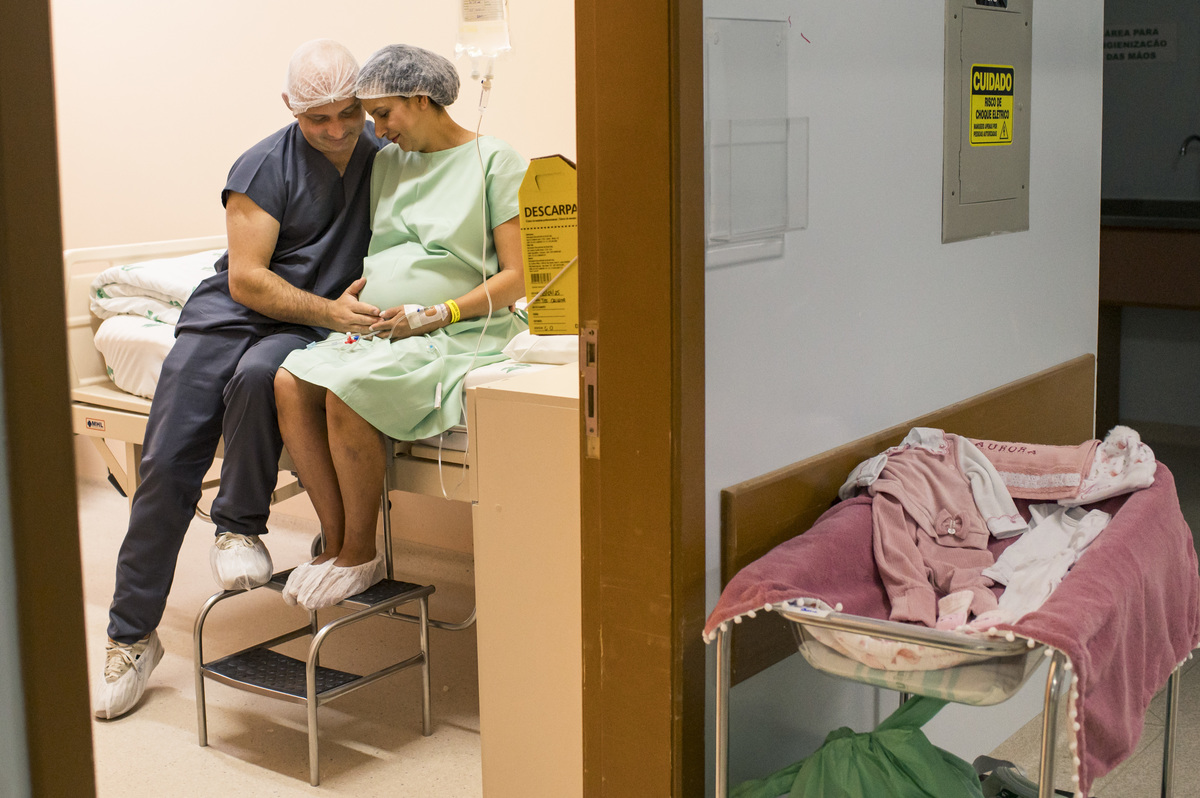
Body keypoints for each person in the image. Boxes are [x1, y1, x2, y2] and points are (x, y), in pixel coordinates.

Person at [94, 40, 388, 720]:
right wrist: (330, 309)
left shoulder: (384, 158)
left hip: (298, 324)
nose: (339, 130)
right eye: (320, 118)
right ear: (291, 108)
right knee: (167, 466)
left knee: (262, 377)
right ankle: (131, 638)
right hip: (233, 313)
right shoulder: (262, 165)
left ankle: (238, 526)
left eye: (350, 113)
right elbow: (249, 279)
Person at [273, 43, 528, 610]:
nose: (376, 131)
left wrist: (441, 313)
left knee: (346, 393)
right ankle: (336, 539)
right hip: (384, 327)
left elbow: (518, 276)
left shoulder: (495, 160)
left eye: (383, 114)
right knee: (289, 382)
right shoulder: (389, 163)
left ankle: (362, 551)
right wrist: (349, 299)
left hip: (461, 330)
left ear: (422, 98)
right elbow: (379, 247)